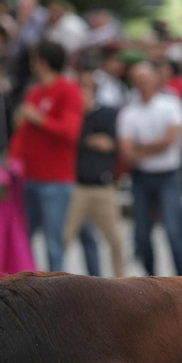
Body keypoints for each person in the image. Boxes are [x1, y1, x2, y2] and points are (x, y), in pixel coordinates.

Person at [9, 41, 83, 272]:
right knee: (22, 242)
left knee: (54, 245)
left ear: (42, 62)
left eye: (35, 59)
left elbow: (70, 132)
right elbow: (22, 135)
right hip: (29, 178)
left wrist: (38, 118)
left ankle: (56, 300)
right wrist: (10, 165)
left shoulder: (69, 90)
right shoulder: (34, 91)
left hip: (56, 181)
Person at [118, 60, 182, 275]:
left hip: (169, 175)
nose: (142, 83)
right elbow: (127, 151)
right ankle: (151, 278)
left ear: (156, 79)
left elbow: (171, 139)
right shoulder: (129, 111)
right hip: (142, 177)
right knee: (141, 233)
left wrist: (141, 149)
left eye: (146, 78)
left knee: (174, 230)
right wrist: (154, 147)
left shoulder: (170, 104)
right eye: (138, 79)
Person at [63, 67, 123, 276]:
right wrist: (90, 138)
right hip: (77, 187)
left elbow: (110, 144)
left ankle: (123, 286)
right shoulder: (74, 116)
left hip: (103, 187)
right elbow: (72, 139)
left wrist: (86, 139)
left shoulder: (107, 113)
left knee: (116, 241)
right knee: (63, 239)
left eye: (89, 86)